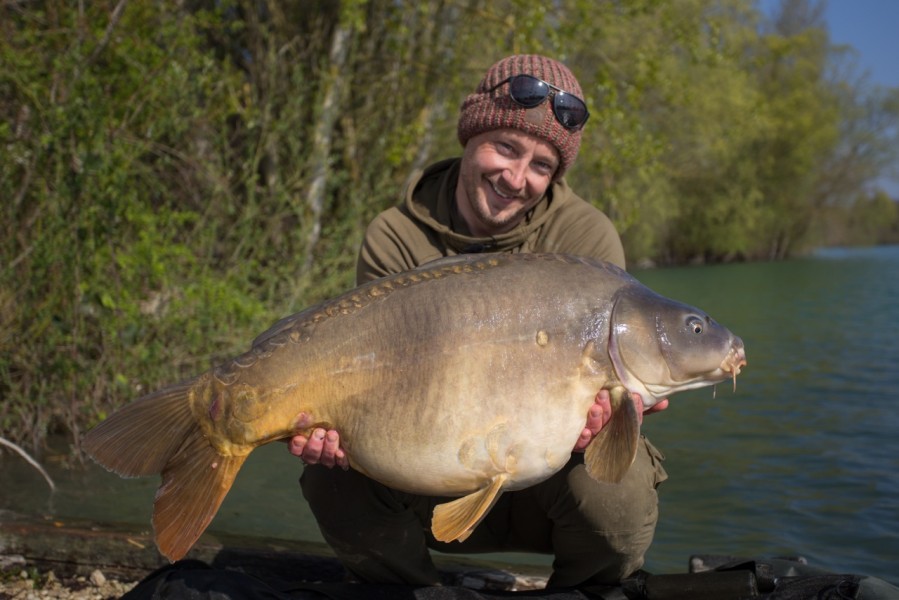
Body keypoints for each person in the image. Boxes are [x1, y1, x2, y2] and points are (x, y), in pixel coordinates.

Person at [288, 54, 668, 589]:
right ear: (469, 136)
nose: (517, 178)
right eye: (505, 148)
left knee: (619, 486)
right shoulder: (396, 236)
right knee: (332, 478)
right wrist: (334, 428)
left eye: (541, 166)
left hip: (547, 488)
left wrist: (609, 420)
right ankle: (416, 590)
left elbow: (603, 387)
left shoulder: (587, 242)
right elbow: (368, 380)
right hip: (423, 471)